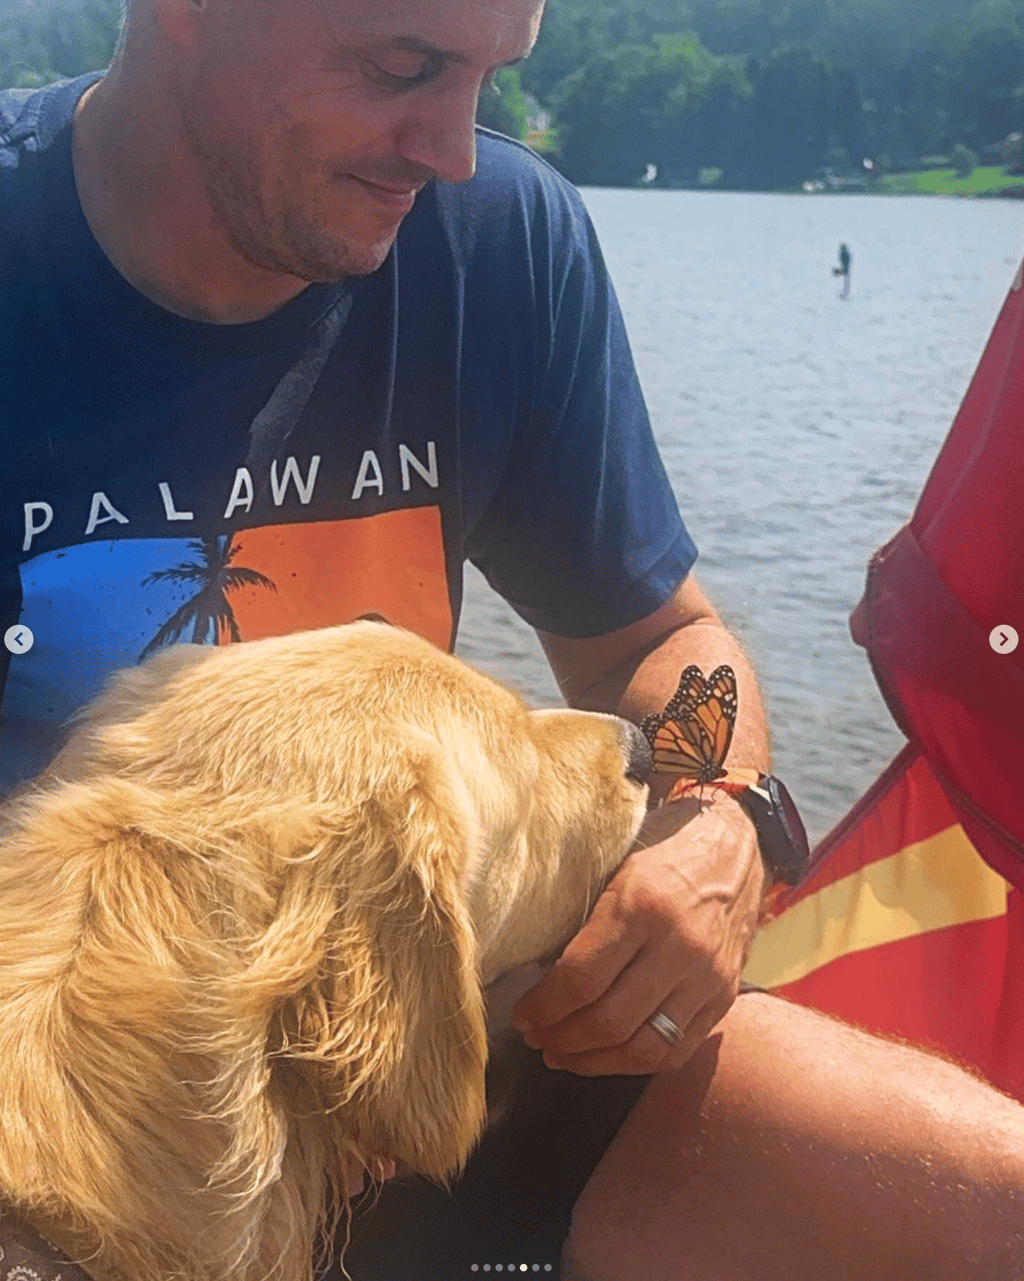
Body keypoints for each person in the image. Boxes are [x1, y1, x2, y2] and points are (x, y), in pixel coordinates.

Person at [0, 2, 1021, 1278]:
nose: (455, 149)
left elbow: (660, 639)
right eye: (405, 66)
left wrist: (718, 812)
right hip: (61, 1114)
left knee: (987, 1209)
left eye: (490, 77)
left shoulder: (496, 241)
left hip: (426, 1040)